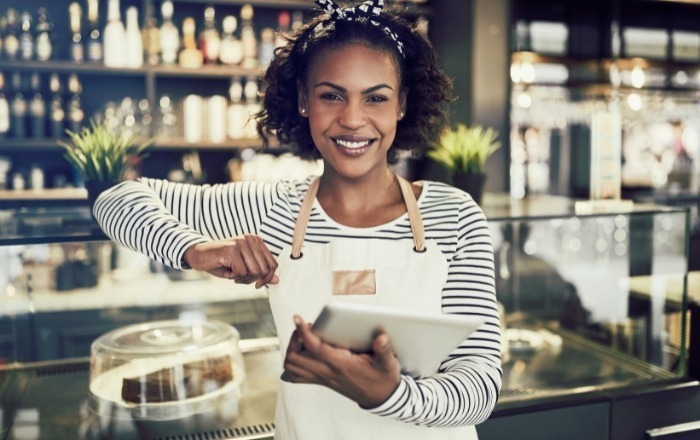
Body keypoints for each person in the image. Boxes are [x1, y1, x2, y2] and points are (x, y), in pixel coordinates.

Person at [93, 0, 502, 438]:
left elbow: (479, 385)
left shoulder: (453, 216)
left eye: (376, 98)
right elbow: (116, 199)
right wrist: (194, 250)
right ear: (305, 100)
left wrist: (388, 394)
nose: (352, 119)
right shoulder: (273, 209)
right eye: (332, 95)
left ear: (401, 104)